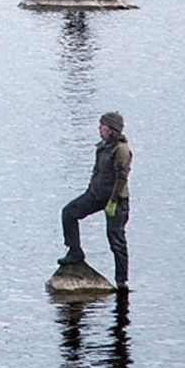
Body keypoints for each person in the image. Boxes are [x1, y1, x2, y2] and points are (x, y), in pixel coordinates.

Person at [57, 111, 133, 291]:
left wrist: (113, 202)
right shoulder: (102, 146)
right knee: (69, 213)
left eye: (102, 126)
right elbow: (96, 172)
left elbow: (122, 178)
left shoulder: (121, 149)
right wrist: (90, 191)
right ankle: (75, 252)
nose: (99, 129)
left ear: (111, 129)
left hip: (116, 199)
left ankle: (121, 281)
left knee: (116, 239)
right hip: (96, 195)